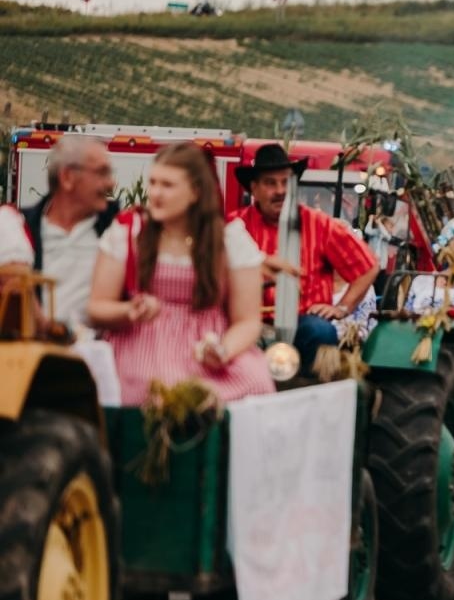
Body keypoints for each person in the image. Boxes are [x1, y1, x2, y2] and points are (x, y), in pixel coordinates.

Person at [86, 143, 273, 405]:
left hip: (206, 349)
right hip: (141, 346)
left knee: (256, 381)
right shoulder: (130, 230)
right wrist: (129, 311)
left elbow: (248, 321)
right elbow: (96, 307)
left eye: (168, 185)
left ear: (195, 192)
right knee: (152, 390)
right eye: (153, 183)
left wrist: (223, 350)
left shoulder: (229, 238)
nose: (155, 194)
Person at [231, 143, 379, 371]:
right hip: (248, 321)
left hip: (303, 324)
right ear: (254, 188)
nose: (280, 190)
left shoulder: (320, 224)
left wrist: (342, 308)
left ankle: (310, 393)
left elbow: (368, 266)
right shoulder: (234, 226)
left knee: (320, 330)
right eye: (271, 183)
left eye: (286, 182)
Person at [19, 135, 118, 330]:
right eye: (102, 173)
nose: (111, 183)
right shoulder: (19, 229)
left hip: (98, 354)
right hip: (35, 354)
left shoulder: (119, 229)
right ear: (67, 177)